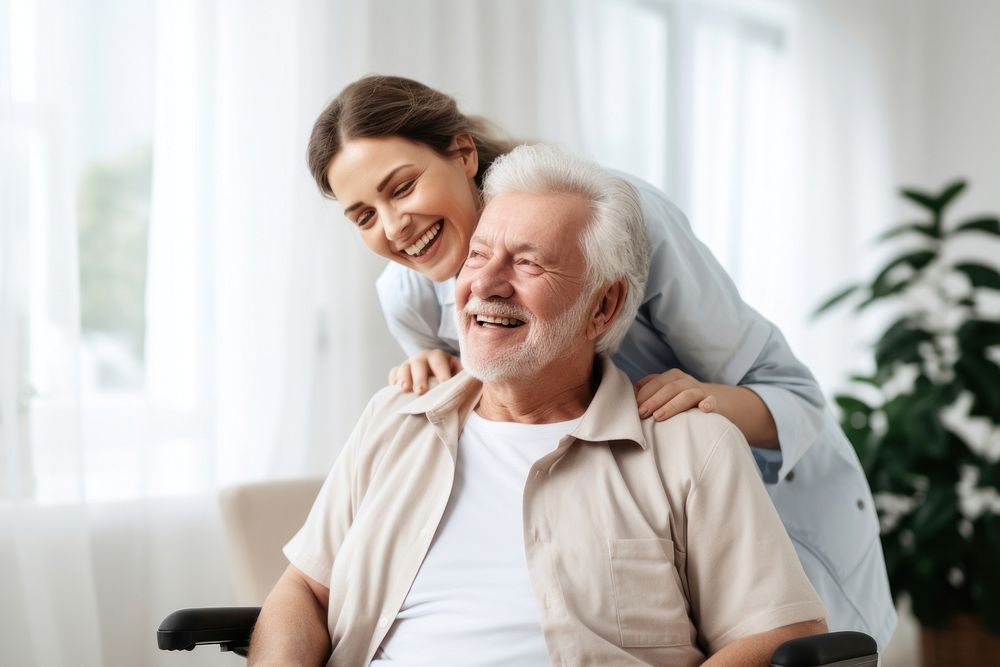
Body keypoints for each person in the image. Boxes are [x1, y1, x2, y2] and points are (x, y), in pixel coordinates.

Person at [307, 75, 895, 648]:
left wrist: (699, 404)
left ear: (462, 153)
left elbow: (790, 396)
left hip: (769, 505)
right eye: (363, 215)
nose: (393, 226)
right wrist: (427, 377)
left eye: (402, 187)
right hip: (622, 537)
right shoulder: (408, 298)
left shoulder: (617, 220)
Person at [249, 145, 828, 666]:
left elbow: (781, 633)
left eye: (528, 263)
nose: (487, 284)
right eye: (477, 256)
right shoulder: (396, 418)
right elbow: (303, 589)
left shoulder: (690, 446)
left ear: (604, 307)